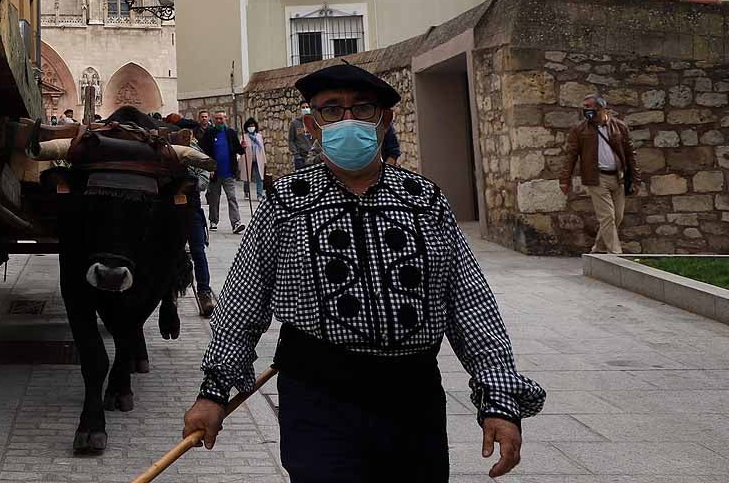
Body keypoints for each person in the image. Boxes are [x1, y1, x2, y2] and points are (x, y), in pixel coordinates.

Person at [183, 63, 545, 482]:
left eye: (363, 109)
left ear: (385, 121)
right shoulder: (285, 201)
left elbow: (469, 303)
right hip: (318, 396)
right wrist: (214, 391)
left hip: (412, 399)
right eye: (332, 110)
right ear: (313, 126)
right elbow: (244, 301)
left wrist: (499, 401)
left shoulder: (424, 200)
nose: (347, 120)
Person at [560, 94, 639, 254]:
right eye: (584, 107)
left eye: (589, 107)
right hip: (596, 177)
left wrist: (635, 179)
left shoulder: (619, 126)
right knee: (607, 216)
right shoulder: (579, 129)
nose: (586, 110)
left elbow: (630, 153)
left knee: (617, 216)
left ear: (601, 109)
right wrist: (564, 179)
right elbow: (571, 155)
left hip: (618, 177)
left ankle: (599, 248)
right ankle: (616, 253)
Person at [178, 117, 216, 317]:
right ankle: (169, 294)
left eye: (187, 132)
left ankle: (204, 292)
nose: (185, 136)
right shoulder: (165, 149)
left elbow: (203, 182)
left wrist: (186, 182)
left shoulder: (197, 153)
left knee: (198, 251)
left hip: (191, 208)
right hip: (168, 209)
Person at [198, 112, 246, 234]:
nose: (219, 120)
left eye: (221, 118)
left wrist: (243, 147)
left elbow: (238, 151)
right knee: (214, 198)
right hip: (215, 172)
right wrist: (208, 168)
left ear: (225, 119)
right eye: (217, 118)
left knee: (232, 197)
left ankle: (236, 223)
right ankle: (213, 221)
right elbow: (203, 151)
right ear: (214, 120)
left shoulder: (230, 133)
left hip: (229, 172)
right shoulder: (209, 133)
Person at [242, 117, 266, 200]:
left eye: (252, 125)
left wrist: (264, 160)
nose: (251, 127)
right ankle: (246, 192)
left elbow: (262, 148)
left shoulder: (259, 136)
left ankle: (259, 194)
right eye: (249, 126)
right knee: (247, 176)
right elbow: (241, 149)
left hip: (258, 160)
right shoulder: (244, 137)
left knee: (259, 177)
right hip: (248, 159)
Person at [288, 102, 314, 169]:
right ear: (300, 109)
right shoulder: (294, 123)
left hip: (313, 157)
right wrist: (296, 155)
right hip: (300, 158)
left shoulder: (314, 122)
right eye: (303, 107)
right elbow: (291, 140)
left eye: (307, 107)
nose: (305, 109)